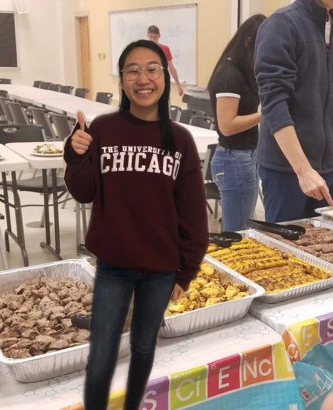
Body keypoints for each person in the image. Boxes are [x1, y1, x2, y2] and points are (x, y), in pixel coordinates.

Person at [64, 39, 208, 410]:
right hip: (114, 266)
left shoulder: (179, 139)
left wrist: (186, 272)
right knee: (101, 352)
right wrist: (74, 152)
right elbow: (83, 192)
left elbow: (193, 212)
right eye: (133, 70)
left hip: (161, 268)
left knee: (144, 347)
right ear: (123, 81)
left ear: (164, 76)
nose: (143, 78)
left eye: (152, 69)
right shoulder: (104, 128)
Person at [255, 0, 333, 223]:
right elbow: (273, 104)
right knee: (286, 250)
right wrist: (303, 170)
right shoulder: (282, 24)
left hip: (329, 168)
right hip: (286, 169)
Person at [207, 14, 266, 232]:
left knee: (243, 227)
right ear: (249, 42)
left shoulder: (244, 72)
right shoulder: (230, 74)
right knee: (238, 232)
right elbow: (227, 126)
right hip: (234, 159)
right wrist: (264, 114)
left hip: (245, 156)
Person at [147, 25, 184, 96]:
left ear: (159, 36)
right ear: (147, 36)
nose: (152, 39)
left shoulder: (165, 49)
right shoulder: (143, 50)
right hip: (149, 83)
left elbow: (171, 67)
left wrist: (178, 85)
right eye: (150, 37)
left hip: (163, 82)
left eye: (155, 37)